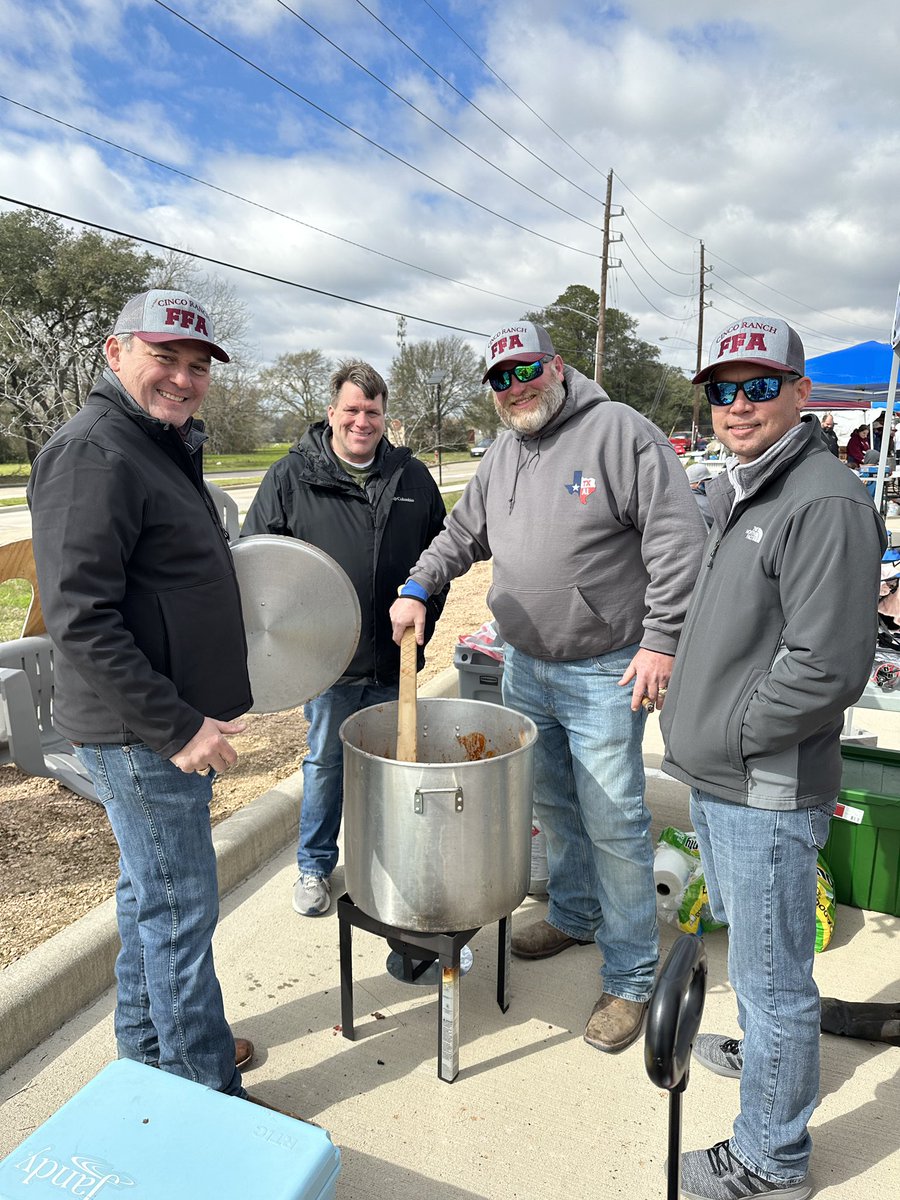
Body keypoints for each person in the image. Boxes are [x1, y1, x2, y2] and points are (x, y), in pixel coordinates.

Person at [390, 321, 706, 1053]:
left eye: (526, 370)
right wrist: (416, 584)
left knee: (614, 819)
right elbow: (462, 534)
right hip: (526, 662)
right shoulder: (503, 451)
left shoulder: (622, 434)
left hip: (604, 666)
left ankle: (630, 976)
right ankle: (574, 913)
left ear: (556, 366)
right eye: (499, 378)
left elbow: (677, 543)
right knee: (554, 801)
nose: (515, 387)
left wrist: (662, 640)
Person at [659, 316, 885, 1200]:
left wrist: (731, 731)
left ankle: (771, 1157)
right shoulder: (748, 486)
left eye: (760, 385)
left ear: (800, 392)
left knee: (775, 974)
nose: (739, 404)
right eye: (723, 388)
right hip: (723, 775)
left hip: (763, 783)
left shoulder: (822, 499)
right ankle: (769, 1063)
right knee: (760, 960)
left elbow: (827, 664)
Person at [27, 290, 257, 1098]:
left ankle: (151, 1052)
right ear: (114, 351)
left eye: (197, 366)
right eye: (165, 358)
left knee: (147, 898)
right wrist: (178, 726)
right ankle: (204, 1093)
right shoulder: (96, 451)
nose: (183, 378)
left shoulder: (155, 443)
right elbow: (80, 619)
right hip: (142, 733)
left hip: (156, 727)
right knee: (179, 914)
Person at [242, 361, 447, 917]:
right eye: (352, 410)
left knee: (389, 763)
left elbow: (440, 556)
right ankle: (313, 866)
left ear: (386, 418)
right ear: (331, 412)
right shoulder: (291, 476)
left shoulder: (411, 478)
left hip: (394, 656)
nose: (362, 421)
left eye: (373, 412)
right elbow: (260, 566)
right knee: (327, 763)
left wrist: (423, 618)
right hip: (326, 664)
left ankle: (384, 861)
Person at [685, 461, 714, 527]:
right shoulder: (703, 502)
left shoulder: (684, 497)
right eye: (708, 479)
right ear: (700, 483)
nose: (711, 482)